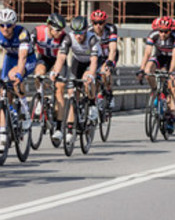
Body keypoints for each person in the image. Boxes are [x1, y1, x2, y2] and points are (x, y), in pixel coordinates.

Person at [0, 8, 36, 151]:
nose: (5, 28)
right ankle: (3, 135)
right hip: (10, 58)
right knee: (4, 93)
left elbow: (22, 57)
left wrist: (20, 74)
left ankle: (26, 110)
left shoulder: (22, 33)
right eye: (2, 25)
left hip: (27, 59)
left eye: (8, 25)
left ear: (14, 25)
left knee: (14, 77)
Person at [53, 16, 101, 144]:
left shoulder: (92, 38)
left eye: (81, 33)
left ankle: (92, 104)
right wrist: (55, 71)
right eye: (76, 33)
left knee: (87, 79)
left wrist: (91, 73)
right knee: (71, 94)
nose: (78, 36)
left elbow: (94, 61)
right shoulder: (69, 38)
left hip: (92, 61)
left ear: (86, 30)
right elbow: (62, 56)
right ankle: (69, 129)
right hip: (78, 61)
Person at [32, 13, 70, 142]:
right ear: (49, 26)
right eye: (57, 30)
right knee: (39, 72)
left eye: (62, 30)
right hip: (44, 58)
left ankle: (59, 128)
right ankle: (40, 97)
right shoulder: (37, 32)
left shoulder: (64, 37)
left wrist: (55, 72)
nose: (60, 33)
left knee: (59, 89)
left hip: (58, 60)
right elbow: (28, 50)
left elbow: (61, 57)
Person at [137, 16, 175, 119]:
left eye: (165, 32)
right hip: (159, 57)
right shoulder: (153, 35)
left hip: (171, 60)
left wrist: (171, 73)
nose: (162, 34)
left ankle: (173, 113)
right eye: (160, 31)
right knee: (148, 71)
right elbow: (147, 53)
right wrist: (141, 69)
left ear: (170, 31)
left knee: (172, 87)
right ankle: (155, 90)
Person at [90, 9, 118, 110]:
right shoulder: (89, 31)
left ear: (105, 23)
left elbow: (113, 49)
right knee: (94, 77)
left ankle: (109, 93)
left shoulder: (111, 29)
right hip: (96, 56)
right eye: (95, 23)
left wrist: (110, 62)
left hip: (108, 55)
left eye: (101, 23)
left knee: (105, 72)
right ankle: (97, 98)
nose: (98, 25)